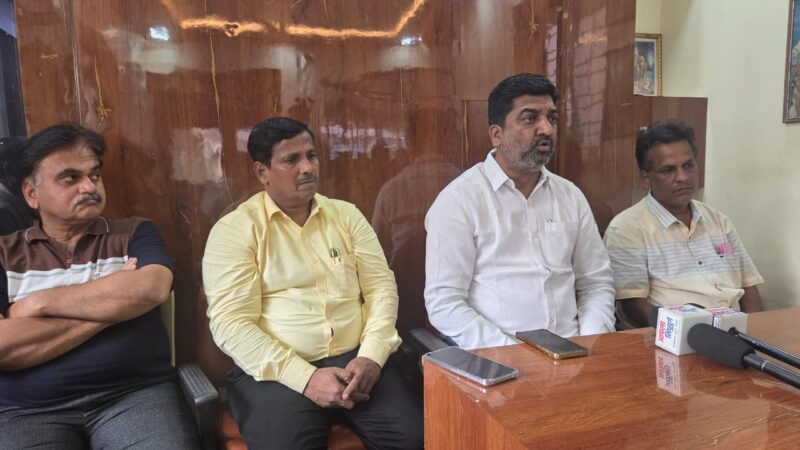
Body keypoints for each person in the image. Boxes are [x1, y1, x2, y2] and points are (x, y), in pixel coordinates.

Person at [203, 117, 423, 449]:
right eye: (291, 160)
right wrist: (305, 378)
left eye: (311, 155)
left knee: (418, 439)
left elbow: (381, 288)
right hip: (277, 373)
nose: (307, 168)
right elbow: (230, 323)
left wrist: (372, 357)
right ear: (262, 172)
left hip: (357, 361)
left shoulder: (346, 216)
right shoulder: (235, 230)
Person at [0, 123, 199, 449]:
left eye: (94, 174)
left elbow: (152, 288)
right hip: (28, 410)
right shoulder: (4, 253)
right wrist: (115, 304)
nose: (89, 186)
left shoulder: (134, 233)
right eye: (70, 178)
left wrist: (38, 304)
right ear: (31, 194)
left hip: (133, 394)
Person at [424, 73, 616, 349]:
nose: (546, 129)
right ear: (497, 135)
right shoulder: (459, 201)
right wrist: (514, 355)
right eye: (530, 118)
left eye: (551, 118)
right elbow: (445, 303)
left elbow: (596, 283)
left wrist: (589, 344)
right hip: (498, 356)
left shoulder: (570, 195)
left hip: (574, 350)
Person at [604, 120, 764, 328]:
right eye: (668, 170)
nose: (683, 177)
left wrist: (755, 331)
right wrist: (694, 334)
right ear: (646, 178)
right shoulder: (626, 230)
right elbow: (634, 307)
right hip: (671, 337)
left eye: (688, 165)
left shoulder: (719, 222)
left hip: (734, 332)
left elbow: (748, 286)